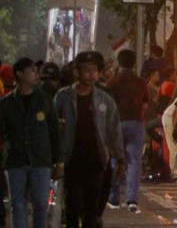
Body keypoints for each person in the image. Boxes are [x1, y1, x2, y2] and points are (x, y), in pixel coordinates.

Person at [54, 51, 125, 228]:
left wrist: (120, 159)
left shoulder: (104, 99)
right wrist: (56, 160)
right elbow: (53, 130)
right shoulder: (63, 97)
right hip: (71, 160)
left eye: (94, 70)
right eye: (87, 70)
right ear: (77, 72)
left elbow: (114, 129)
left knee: (91, 208)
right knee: (72, 204)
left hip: (96, 161)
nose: (92, 74)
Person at [0, 58, 60, 228]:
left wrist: (58, 161)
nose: (36, 75)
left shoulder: (45, 100)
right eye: (32, 71)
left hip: (41, 160)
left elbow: (54, 132)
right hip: (16, 160)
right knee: (18, 205)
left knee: (41, 205)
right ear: (19, 74)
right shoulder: (7, 103)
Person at [105, 48, 147, 212]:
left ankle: (114, 197)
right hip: (136, 123)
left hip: (117, 123)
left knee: (115, 159)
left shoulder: (113, 82)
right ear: (134, 63)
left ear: (119, 63)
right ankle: (132, 199)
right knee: (134, 162)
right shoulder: (141, 82)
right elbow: (145, 104)